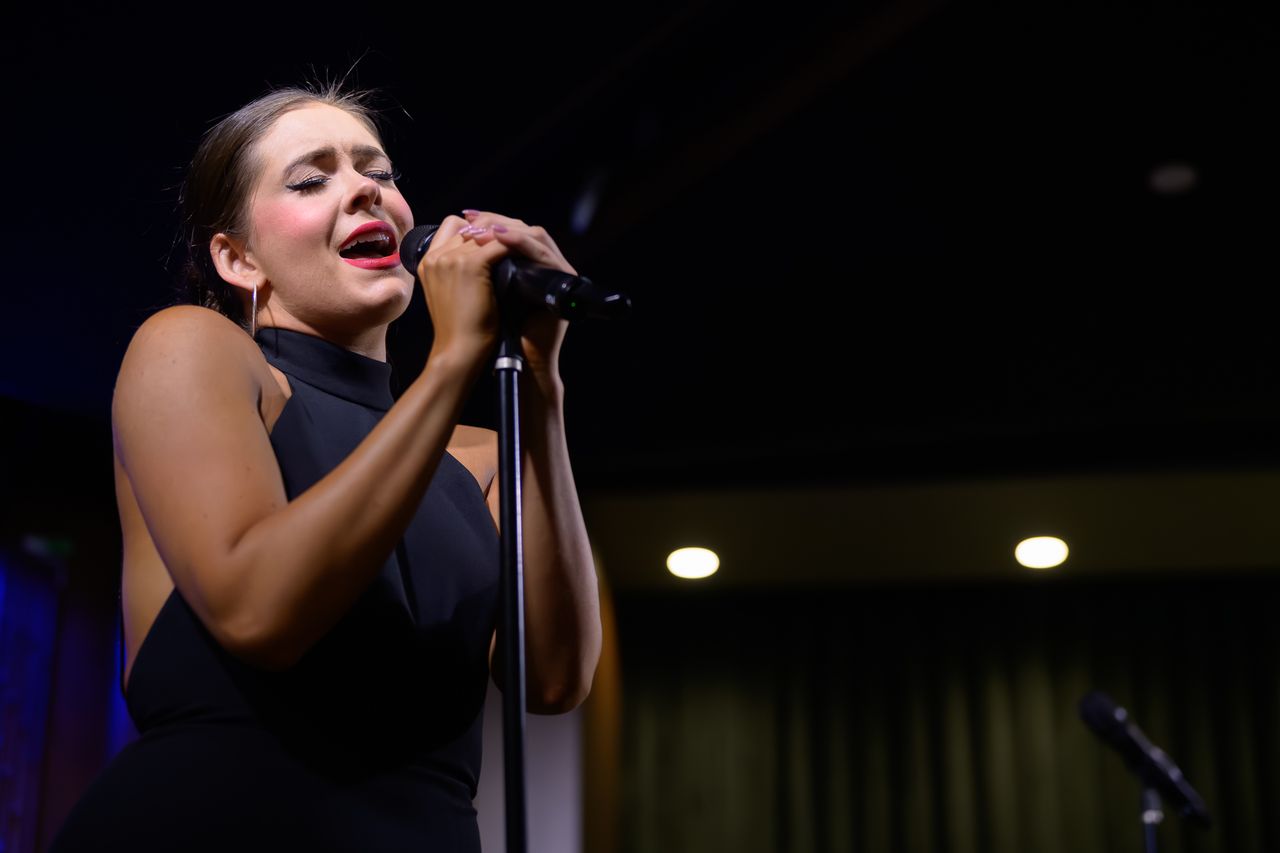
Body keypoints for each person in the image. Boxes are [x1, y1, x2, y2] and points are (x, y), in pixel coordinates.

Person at [49, 81, 602, 852]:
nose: (366, 191)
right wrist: (453, 360)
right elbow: (259, 611)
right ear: (238, 259)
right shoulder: (194, 349)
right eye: (311, 180)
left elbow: (554, 677)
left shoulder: (476, 454)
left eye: (379, 172)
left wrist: (541, 379)